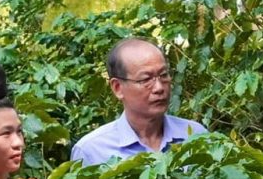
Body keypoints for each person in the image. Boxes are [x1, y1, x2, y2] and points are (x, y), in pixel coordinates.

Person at [70, 38, 206, 166]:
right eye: (146, 79)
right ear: (117, 88)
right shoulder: (91, 151)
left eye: (163, 75)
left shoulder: (196, 135)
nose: (159, 88)